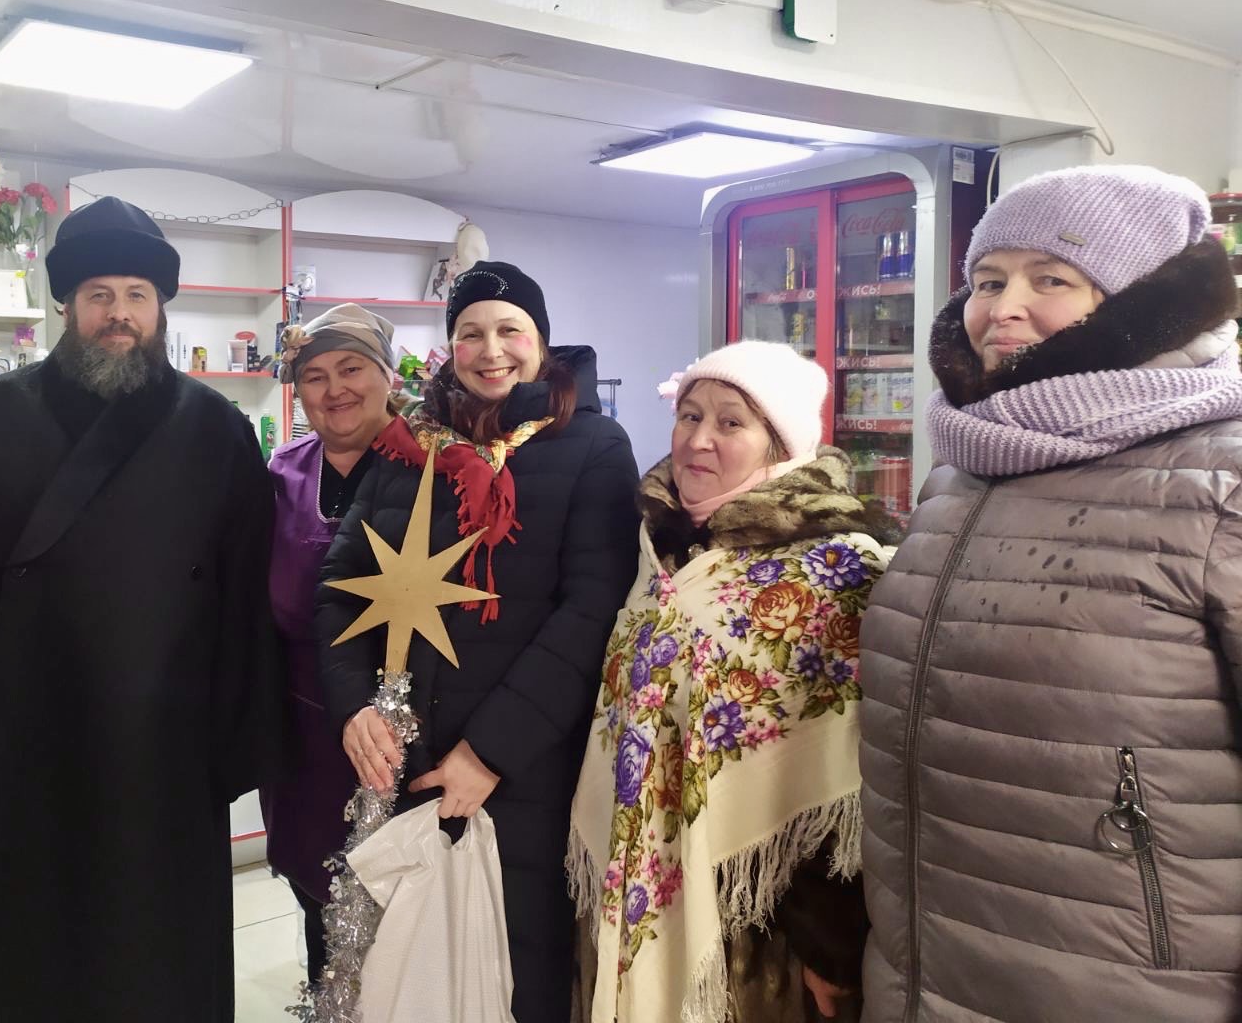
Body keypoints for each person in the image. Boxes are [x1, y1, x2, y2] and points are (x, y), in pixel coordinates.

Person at [859, 166, 1242, 1022]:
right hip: (923, 970)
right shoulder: (964, 468)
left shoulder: (1221, 477)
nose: (1004, 308)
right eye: (989, 281)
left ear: (1142, 301)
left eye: (1052, 279)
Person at [0, 196, 282, 1021]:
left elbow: (249, 592)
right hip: (21, 724)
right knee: (31, 936)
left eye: (137, 295)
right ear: (67, 307)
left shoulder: (216, 428)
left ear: (161, 308)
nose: (119, 314)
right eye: (99, 295)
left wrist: (238, 737)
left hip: (166, 739)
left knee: (155, 945)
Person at [316, 260, 640, 1023]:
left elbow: (591, 611)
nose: (491, 351)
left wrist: (488, 753)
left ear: (542, 342)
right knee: (403, 976)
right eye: (470, 334)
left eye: (509, 330)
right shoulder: (406, 448)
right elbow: (339, 589)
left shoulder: (593, 446)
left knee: (514, 974)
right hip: (401, 765)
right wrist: (352, 707)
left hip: (524, 776)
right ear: (450, 346)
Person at [569, 341, 896, 1023]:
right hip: (630, 899)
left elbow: (845, 782)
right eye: (689, 416)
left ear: (779, 445)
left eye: (730, 423)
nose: (698, 440)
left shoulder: (834, 570)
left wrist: (831, 946)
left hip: (764, 931)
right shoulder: (653, 551)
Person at [262, 303, 406, 981]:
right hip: (305, 734)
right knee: (322, 908)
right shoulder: (279, 476)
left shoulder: (438, 468)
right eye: (314, 376)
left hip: (408, 730)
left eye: (351, 369)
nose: (334, 389)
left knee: (405, 921)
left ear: (388, 376)